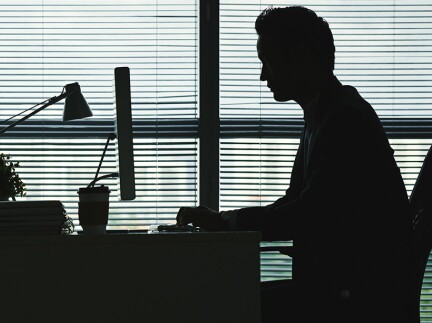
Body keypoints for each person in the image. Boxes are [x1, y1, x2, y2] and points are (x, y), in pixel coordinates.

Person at [176, 6, 415, 323]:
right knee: (230, 302)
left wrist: (225, 222)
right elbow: (295, 201)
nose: (263, 75)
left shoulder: (344, 120)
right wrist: (225, 221)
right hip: (342, 287)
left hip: (359, 299)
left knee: (226, 306)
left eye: (268, 62)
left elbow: (308, 212)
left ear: (300, 57)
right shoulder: (324, 114)